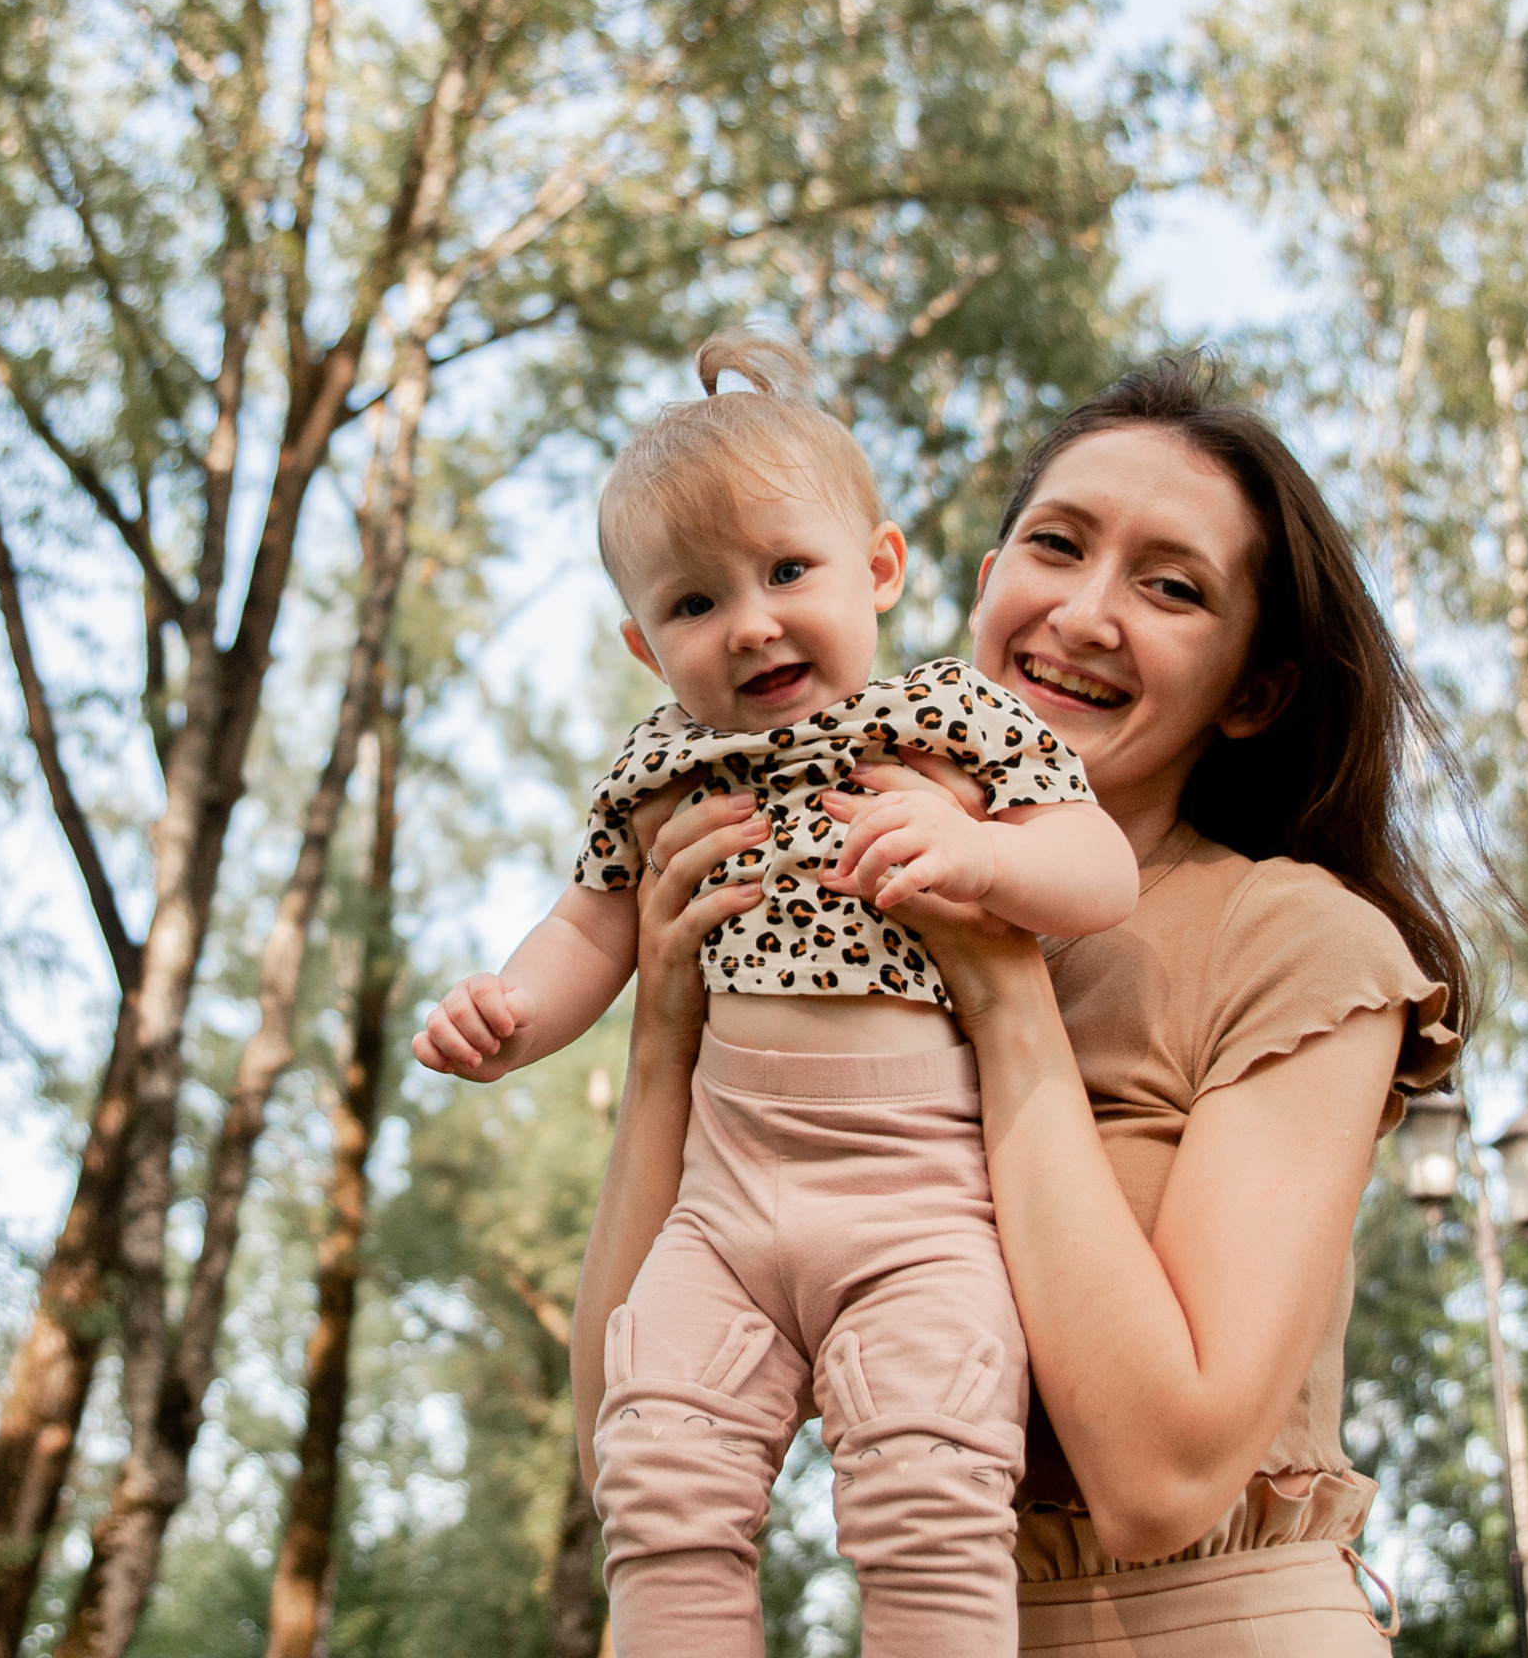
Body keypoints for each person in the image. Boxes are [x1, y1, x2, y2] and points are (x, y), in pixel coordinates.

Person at [577, 355, 1467, 1657]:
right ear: (988, 587)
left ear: (1254, 689)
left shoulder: (1296, 939)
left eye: (1172, 587)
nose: (1089, 613)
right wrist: (663, 1038)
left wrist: (997, 978)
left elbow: (1161, 1479)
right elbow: (622, 1426)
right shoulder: (823, 910)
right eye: (1057, 546)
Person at [415, 326, 1139, 1656]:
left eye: (787, 572)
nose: (748, 623)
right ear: (645, 645)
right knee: (659, 1479)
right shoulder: (662, 771)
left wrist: (984, 853)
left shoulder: (955, 724)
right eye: (694, 605)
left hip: (919, 1208)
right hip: (725, 1210)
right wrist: (509, 1013)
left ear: (879, 569)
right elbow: (592, 927)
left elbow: (1098, 866)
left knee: (930, 1490)